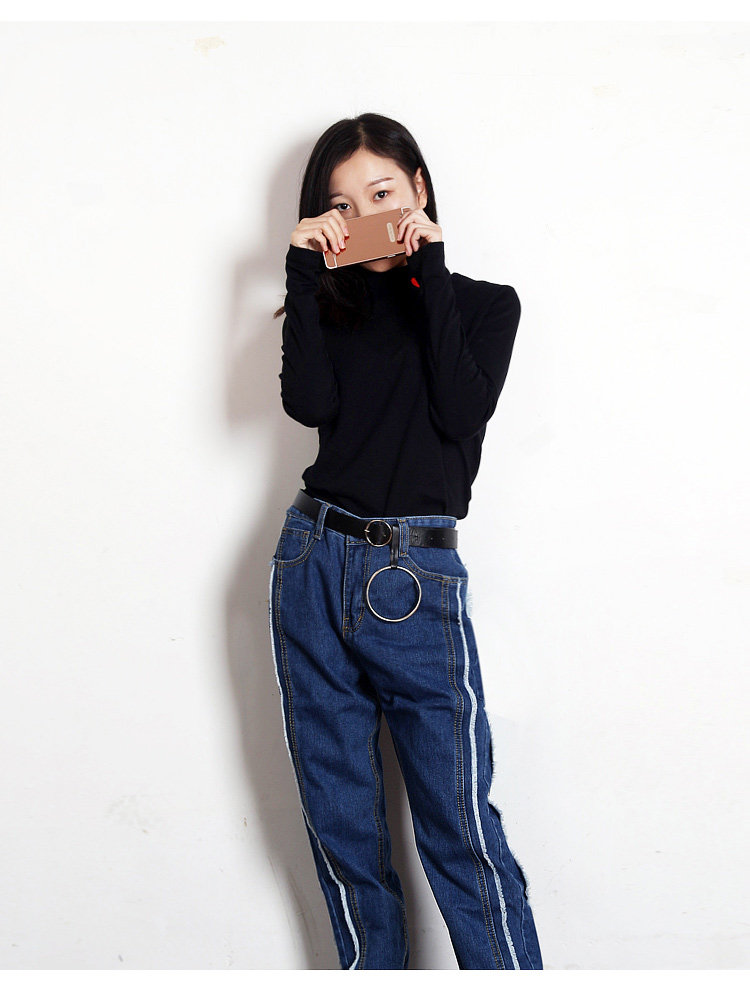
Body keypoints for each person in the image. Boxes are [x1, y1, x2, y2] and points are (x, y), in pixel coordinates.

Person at [267, 112, 543, 970]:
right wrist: (302, 273)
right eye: (343, 205)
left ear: (418, 187)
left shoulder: (486, 305)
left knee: (461, 829)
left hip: (412, 579)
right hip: (311, 563)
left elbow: (460, 410)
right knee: (344, 829)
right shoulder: (333, 303)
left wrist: (430, 267)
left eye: (382, 191)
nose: (367, 214)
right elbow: (309, 405)